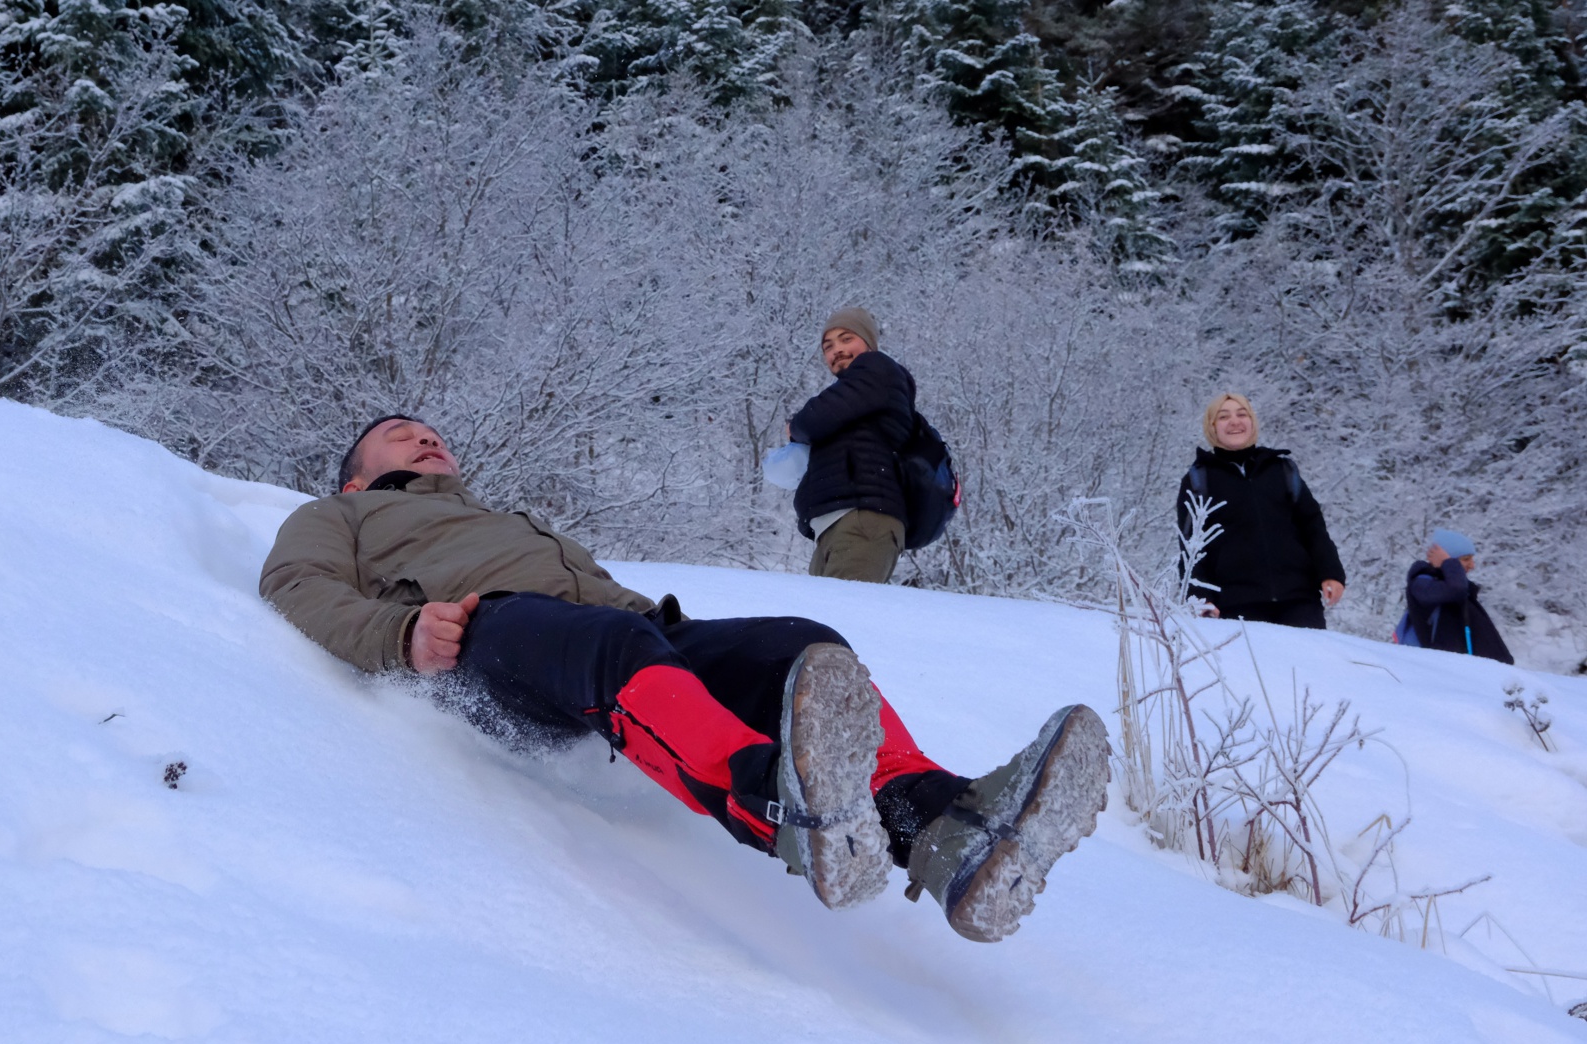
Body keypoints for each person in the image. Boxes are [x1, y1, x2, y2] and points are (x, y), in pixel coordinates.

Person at [259, 414, 1112, 942]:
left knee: (801, 642)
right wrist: (404, 632)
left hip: (630, 631)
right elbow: (295, 587)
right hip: (495, 641)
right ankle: (775, 804)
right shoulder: (340, 514)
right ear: (358, 473)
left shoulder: (495, 514)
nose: (426, 434)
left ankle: (939, 824)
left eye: (433, 429)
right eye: (400, 432)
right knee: (613, 650)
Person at [1178, 393, 1346, 629]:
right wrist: (1200, 597)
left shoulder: (1282, 469)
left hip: (1299, 602)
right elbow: (1191, 547)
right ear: (1212, 427)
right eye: (1223, 417)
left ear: (1252, 422)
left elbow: (1313, 526)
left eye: (1242, 414)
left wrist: (1331, 573)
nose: (1235, 421)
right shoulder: (1198, 479)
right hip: (1235, 607)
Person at [789, 307, 914, 583]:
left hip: (861, 520)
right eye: (828, 346)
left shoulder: (877, 368)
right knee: (820, 622)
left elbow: (814, 418)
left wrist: (794, 427)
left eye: (847, 339)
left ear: (869, 343)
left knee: (839, 620)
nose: (837, 350)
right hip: (838, 524)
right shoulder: (861, 392)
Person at [1401, 529, 1514, 663]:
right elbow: (1456, 590)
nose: (1472, 565)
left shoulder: (1453, 587)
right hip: (1446, 669)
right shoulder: (1422, 584)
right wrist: (1448, 562)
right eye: (1466, 559)